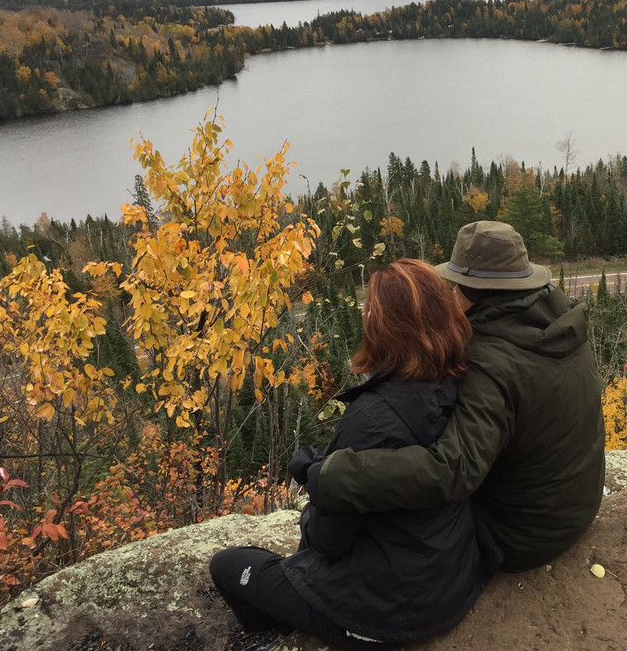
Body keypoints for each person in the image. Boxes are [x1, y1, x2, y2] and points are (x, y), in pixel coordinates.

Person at [210, 259, 501, 650]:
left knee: (228, 565)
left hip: (386, 615)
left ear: (381, 330)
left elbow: (329, 542)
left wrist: (314, 494)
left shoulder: (371, 418)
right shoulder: (466, 387)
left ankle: (278, 632)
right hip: (454, 581)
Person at [305, 220, 605, 573]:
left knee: (403, 518)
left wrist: (338, 475)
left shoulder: (490, 363)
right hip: (578, 509)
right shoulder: (561, 322)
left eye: (457, 287)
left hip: (519, 539)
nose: (452, 295)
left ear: (474, 293)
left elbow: (452, 469)